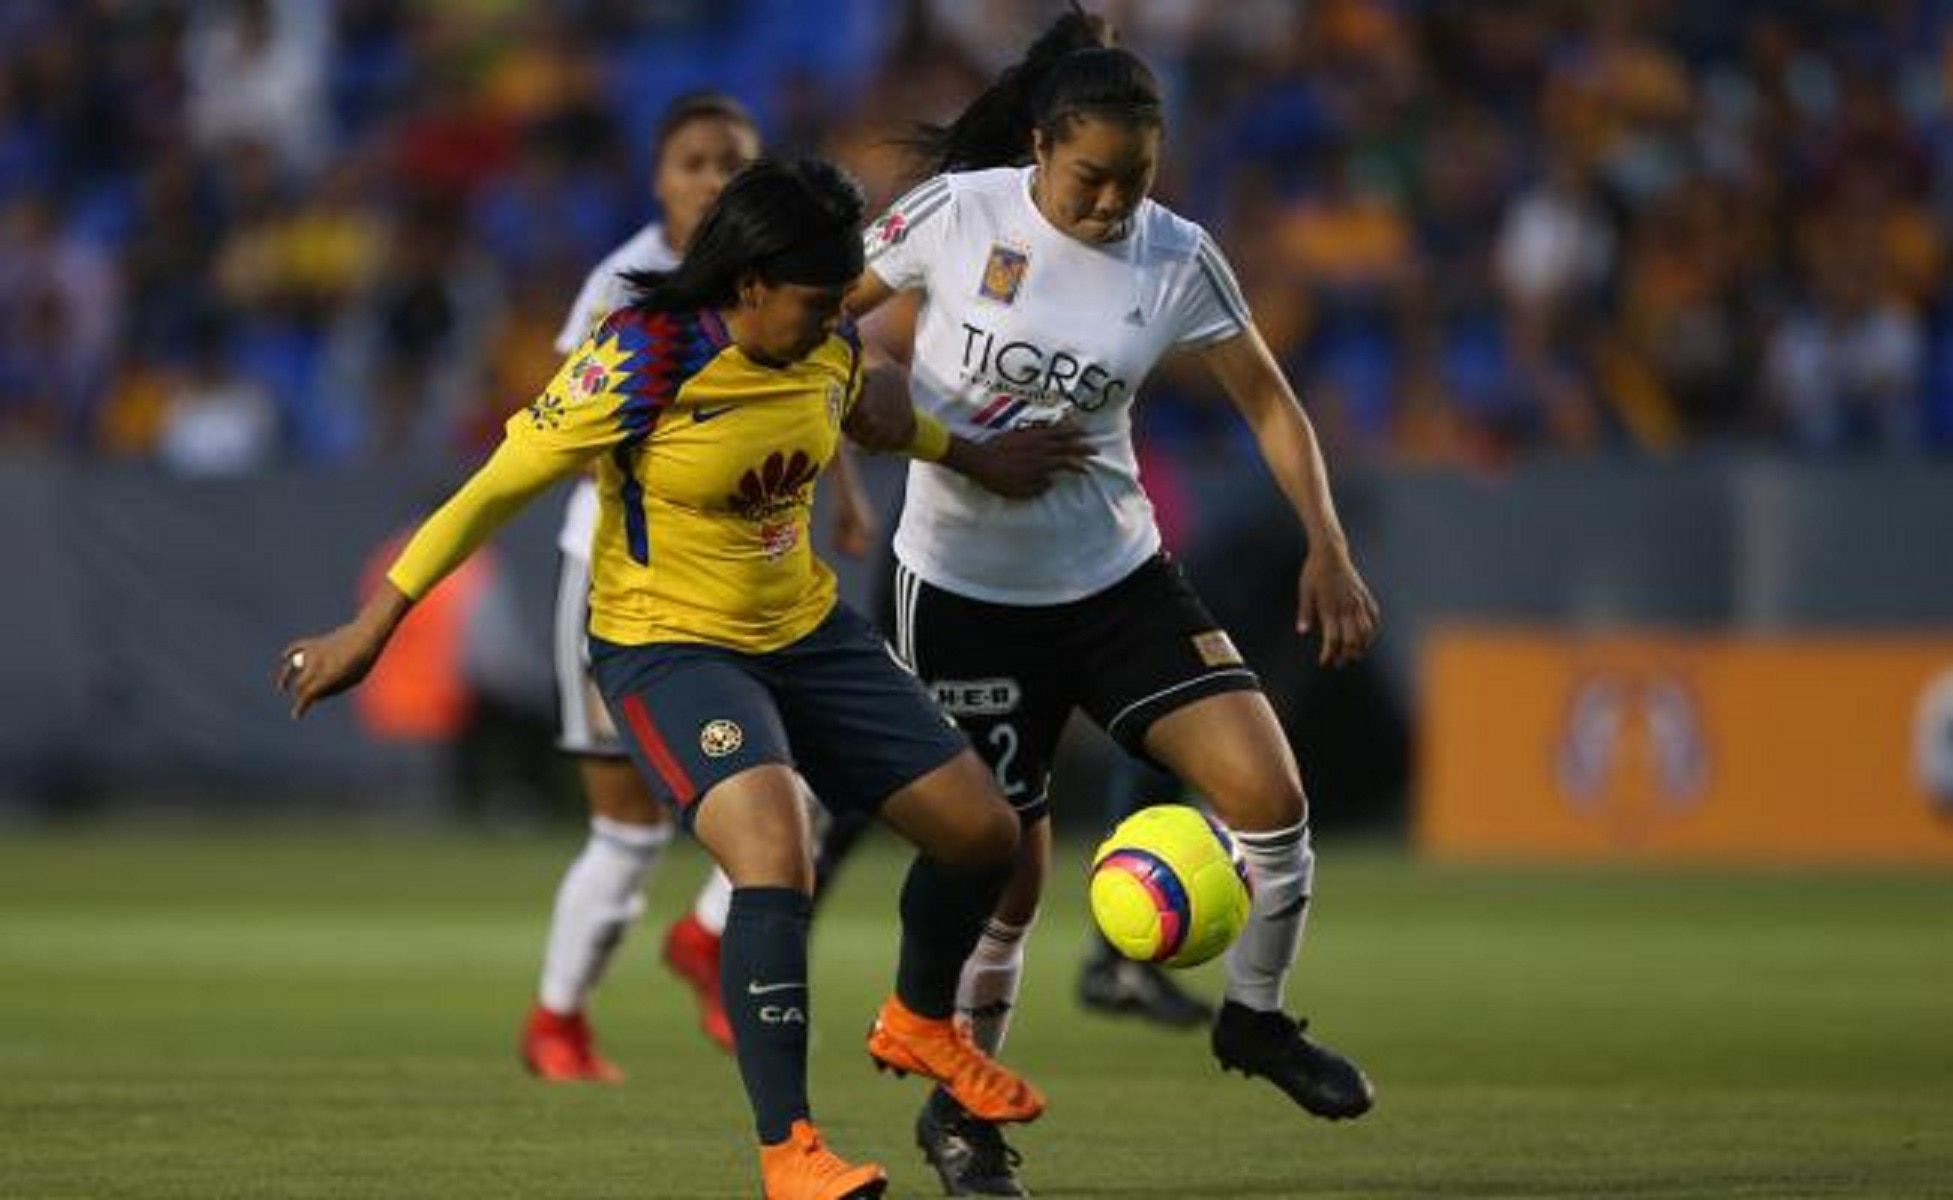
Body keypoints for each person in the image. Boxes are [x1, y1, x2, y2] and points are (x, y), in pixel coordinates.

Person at [280, 158, 1073, 1200]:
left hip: (805, 628)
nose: (842, 317)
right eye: (819, 299)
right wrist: (375, 623)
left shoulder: (824, 342)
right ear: (747, 287)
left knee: (984, 835)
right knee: (773, 851)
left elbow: (871, 416)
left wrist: (975, 458)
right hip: (669, 646)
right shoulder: (644, 361)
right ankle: (791, 1150)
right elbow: (492, 488)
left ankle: (918, 1021)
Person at [847, 10, 1383, 1195]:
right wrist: (871, 403)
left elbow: (1272, 403)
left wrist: (1328, 546)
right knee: (1009, 874)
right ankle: (961, 1118)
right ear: (1040, 146)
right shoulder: (959, 214)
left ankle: (1254, 1020)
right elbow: (815, 321)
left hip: (1116, 579)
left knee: (1271, 793)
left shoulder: (1176, 255)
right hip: (965, 593)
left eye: (1134, 180)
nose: (1110, 204)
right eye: (1092, 178)